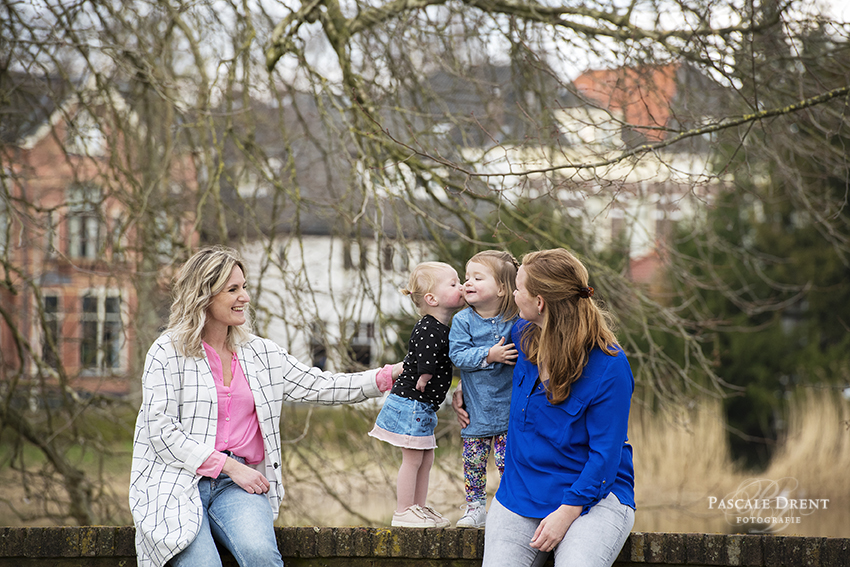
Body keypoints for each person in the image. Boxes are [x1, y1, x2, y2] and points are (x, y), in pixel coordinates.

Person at [129, 246, 399, 567]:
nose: (244, 297)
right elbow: (160, 431)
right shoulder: (167, 351)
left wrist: (387, 376)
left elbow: (321, 385)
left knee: (261, 556)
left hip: (239, 487)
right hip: (176, 482)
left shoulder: (261, 353)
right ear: (203, 295)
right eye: (233, 289)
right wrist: (228, 466)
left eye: (244, 287)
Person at [455, 248, 635, 567]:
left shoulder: (610, 366)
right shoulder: (521, 335)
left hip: (594, 496)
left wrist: (566, 513)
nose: (513, 293)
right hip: (521, 491)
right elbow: (491, 371)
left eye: (519, 287)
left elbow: (605, 456)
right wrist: (464, 390)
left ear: (539, 302)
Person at [368, 261, 466, 527]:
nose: (462, 286)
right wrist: (424, 374)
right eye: (454, 284)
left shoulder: (443, 327)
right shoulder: (428, 325)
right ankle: (403, 511)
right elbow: (423, 351)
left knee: (426, 456)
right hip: (411, 401)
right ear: (432, 299)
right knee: (412, 458)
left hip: (422, 405)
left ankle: (418, 507)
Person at [448, 250, 519, 528]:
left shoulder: (515, 322)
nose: (468, 283)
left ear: (502, 288)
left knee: (507, 465)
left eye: (478, 277)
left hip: (507, 413)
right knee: (473, 464)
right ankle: (475, 508)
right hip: (476, 412)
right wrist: (489, 355)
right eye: (467, 278)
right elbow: (457, 355)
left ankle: (507, 509)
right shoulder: (463, 321)